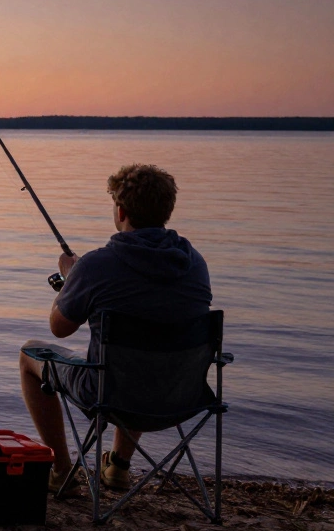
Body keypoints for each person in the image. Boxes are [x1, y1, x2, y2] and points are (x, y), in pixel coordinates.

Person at [19, 164, 212, 492]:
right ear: (166, 211)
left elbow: (59, 329)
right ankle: (118, 467)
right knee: (143, 358)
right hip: (182, 393)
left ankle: (62, 470)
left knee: (29, 355)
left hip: (110, 394)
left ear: (120, 211)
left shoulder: (95, 266)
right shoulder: (195, 263)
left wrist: (71, 280)